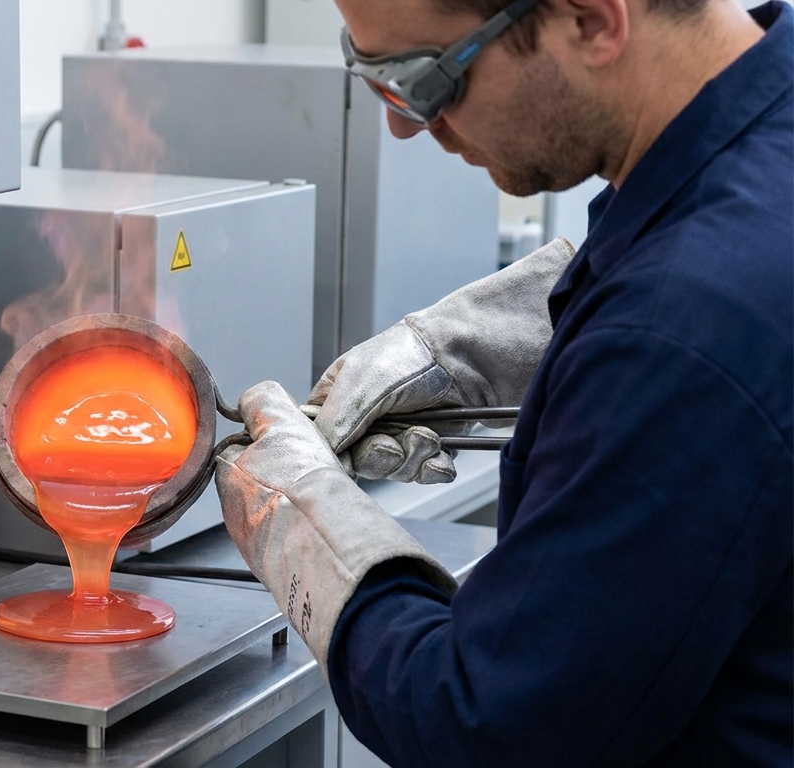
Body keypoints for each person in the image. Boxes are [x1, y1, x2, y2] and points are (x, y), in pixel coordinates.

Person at [214, 0, 793, 764]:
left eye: (425, 80)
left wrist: (309, 534)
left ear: (591, 20)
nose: (402, 126)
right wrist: (508, 342)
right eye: (372, 74)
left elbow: (489, 724)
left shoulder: (681, 331)